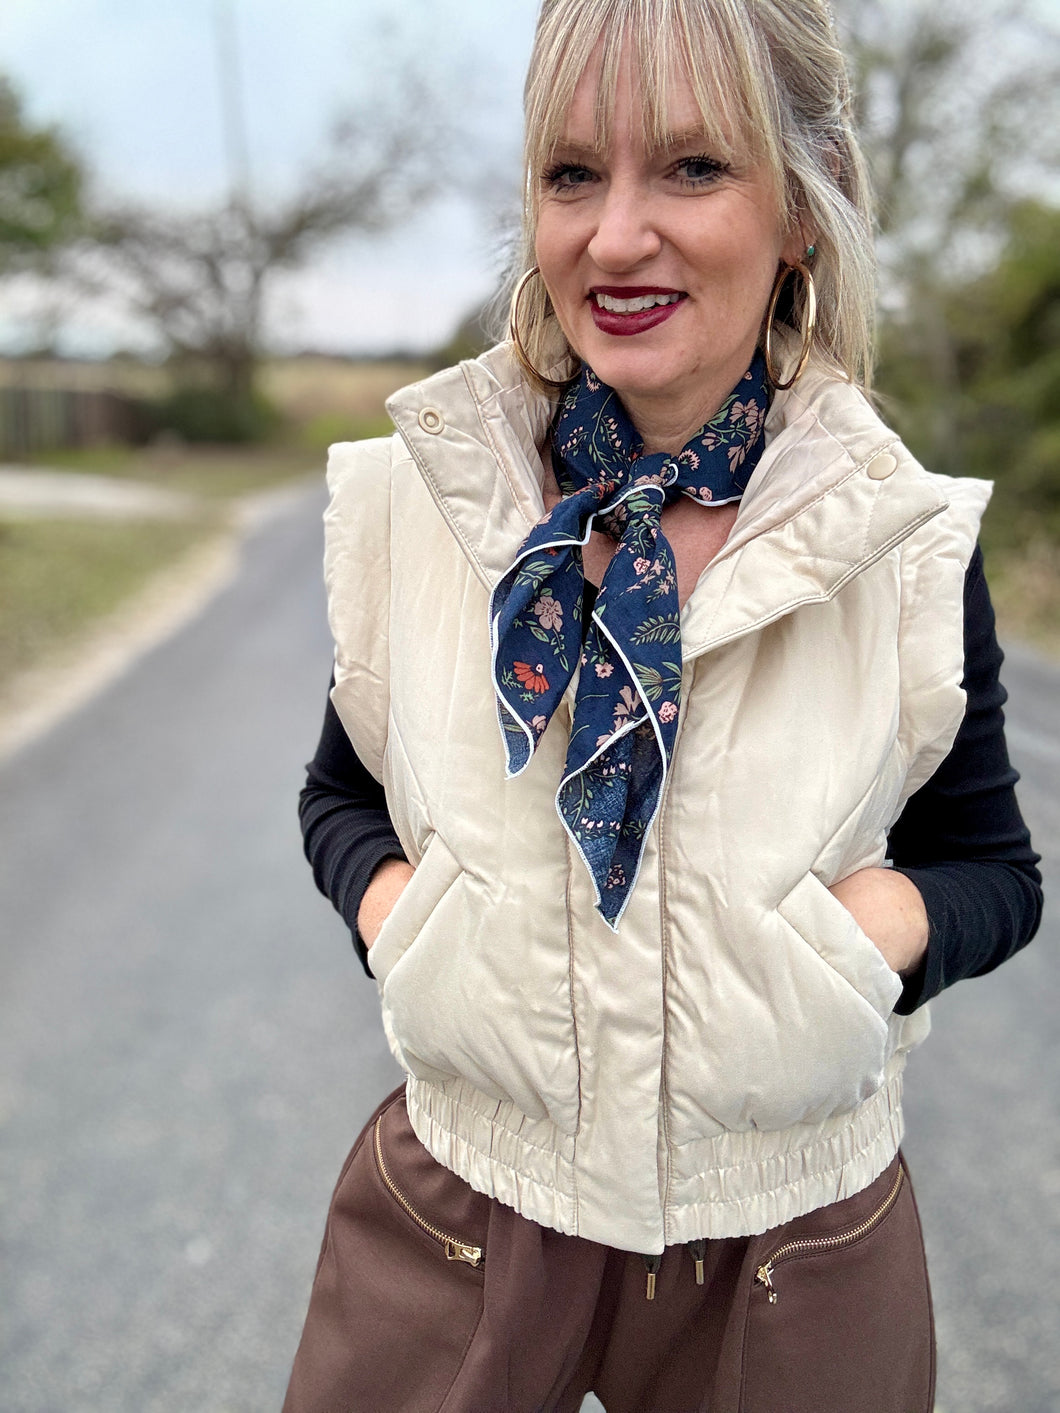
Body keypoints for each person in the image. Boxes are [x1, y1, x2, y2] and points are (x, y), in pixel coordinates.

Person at [283, 1, 1042, 1409]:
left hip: (789, 1239)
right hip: (466, 1200)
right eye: (573, 174)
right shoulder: (421, 502)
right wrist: (405, 919)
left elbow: (993, 872)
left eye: (693, 167)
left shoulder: (903, 544)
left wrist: (872, 939)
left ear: (802, 208)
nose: (616, 236)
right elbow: (343, 796)